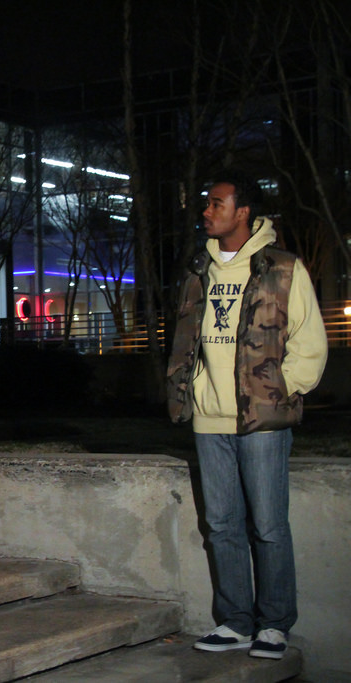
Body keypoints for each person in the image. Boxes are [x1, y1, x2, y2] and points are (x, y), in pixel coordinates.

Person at [166, 173, 327, 660]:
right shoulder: (199, 270)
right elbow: (186, 339)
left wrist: (280, 390)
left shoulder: (282, 268)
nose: (206, 211)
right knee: (222, 526)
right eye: (206, 204)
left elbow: (311, 343)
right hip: (208, 419)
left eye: (216, 204)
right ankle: (235, 622)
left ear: (243, 214)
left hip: (261, 420)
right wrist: (188, 390)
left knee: (269, 525)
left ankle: (273, 624)